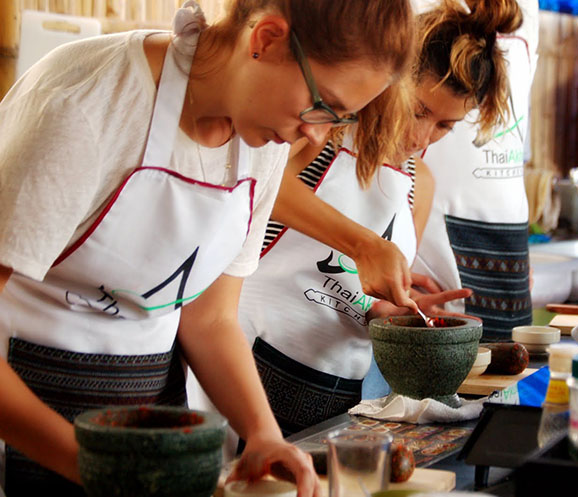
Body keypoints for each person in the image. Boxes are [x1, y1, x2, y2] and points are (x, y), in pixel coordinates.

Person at [0, 0, 414, 494]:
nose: (315, 133)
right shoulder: (90, 103)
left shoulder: (261, 144)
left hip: (157, 421)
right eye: (321, 105)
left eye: (338, 119)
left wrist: (263, 434)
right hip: (29, 422)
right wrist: (93, 467)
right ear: (264, 38)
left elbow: (210, 317)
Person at [234, 0, 523, 436]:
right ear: (392, 80)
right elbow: (259, 188)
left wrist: (396, 311)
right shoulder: (320, 129)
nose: (423, 136)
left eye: (445, 125)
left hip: (336, 391)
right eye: (420, 110)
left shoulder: (417, 183)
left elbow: (360, 295)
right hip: (250, 366)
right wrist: (363, 244)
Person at [413, 0, 540, 341]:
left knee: (508, 383)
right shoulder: (414, 8)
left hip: (509, 244)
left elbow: (514, 130)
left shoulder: (526, 10)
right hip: (430, 241)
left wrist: (520, 239)